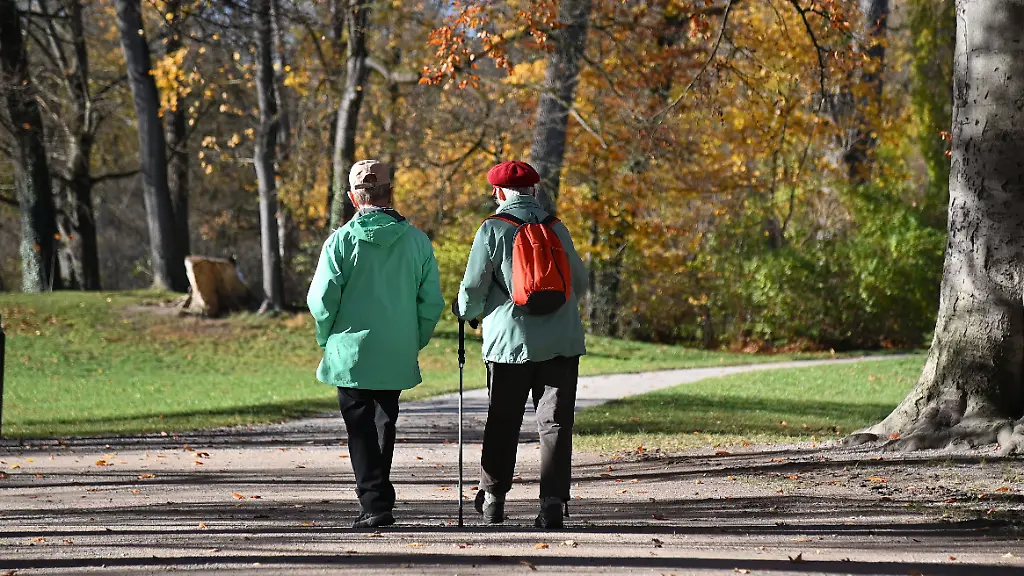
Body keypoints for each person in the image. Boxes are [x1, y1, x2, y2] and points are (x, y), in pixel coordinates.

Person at [307, 159, 445, 529]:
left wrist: (326, 338)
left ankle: (374, 501)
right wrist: (413, 339)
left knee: (360, 427)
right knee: (385, 421)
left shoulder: (340, 242)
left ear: (354, 198)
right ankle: (378, 496)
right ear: (391, 193)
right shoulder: (417, 241)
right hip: (396, 348)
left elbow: (321, 301)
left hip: (350, 351)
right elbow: (431, 303)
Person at [453, 160, 589, 529]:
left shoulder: (493, 229)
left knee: (503, 420)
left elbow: (473, 288)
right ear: (534, 190)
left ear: (498, 193)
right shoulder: (557, 228)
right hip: (562, 341)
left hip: (508, 345)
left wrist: (463, 311)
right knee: (556, 424)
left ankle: (494, 500)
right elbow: (582, 281)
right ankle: (552, 506)